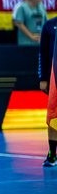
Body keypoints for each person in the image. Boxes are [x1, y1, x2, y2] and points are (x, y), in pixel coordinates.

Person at [40, 15, 57, 167]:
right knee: (53, 116)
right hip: (55, 77)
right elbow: (43, 53)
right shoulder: (49, 25)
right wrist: (43, 78)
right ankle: (52, 154)